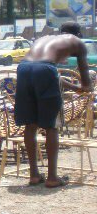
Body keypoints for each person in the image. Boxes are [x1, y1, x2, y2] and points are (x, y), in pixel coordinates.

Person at [14, 21, 92, 188]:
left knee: (31, 124)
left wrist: (72, 87)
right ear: (78, 35)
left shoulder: (45, 39)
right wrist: (83, 88)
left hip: (23, 68)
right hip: (46, 70)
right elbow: (86, 84)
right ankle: (52, 178)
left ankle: (34, 175)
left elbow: (48, 74)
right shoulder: (77, 42)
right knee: (51, 126)